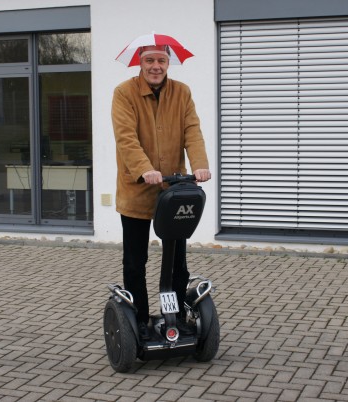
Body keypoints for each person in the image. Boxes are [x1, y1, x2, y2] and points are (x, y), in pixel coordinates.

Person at [111, 44, 211, 339]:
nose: (156, 66)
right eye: (150, 60)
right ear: (140, 63)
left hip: (174, 189)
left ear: (169, 63)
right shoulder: (124, 93)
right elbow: (125, 137)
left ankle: (177, 317)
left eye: (162, 60)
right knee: (135, 261)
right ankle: (140, 320)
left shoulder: (182, 92)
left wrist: (200, 165)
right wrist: (144, 169)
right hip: (137, 189)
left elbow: (192, 130)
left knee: (178, 263)